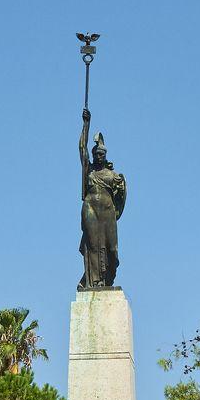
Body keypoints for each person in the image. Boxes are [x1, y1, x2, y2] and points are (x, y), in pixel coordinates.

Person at [78, 108, 127, 290]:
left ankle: (107, 280)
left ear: (105, 156)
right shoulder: (88, 170)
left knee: (112, 250)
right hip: (90, 208)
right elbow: (82, 148)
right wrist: (86, 125)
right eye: (96, 154)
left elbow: (121, 199)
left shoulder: (113, 176)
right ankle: (94, 282)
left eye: (102, 154)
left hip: (107, 212)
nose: (99, 157)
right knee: (92, 246)